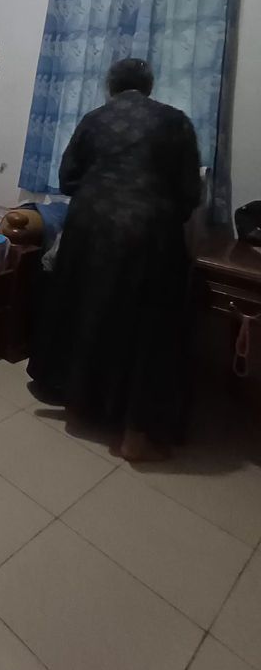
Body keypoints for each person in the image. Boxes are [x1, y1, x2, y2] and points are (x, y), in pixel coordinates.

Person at [27, 58, 202, 461]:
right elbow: (189, 192)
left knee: (87, 311)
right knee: (147, 327)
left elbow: (68, 178)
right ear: (149, 86)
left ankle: (78, 404)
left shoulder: (94, 119)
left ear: (111, 86)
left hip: (91, 225)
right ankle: (135, 434)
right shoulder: (174, 120)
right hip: (148, 229)